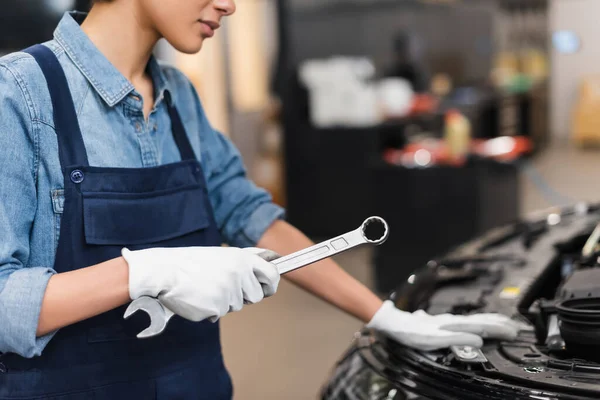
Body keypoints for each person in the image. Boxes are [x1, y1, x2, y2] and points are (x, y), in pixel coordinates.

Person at [0, 1, 524, 398]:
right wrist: (145, 273)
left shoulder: (179, 97)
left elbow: (250, 214)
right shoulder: (20, 95)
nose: (229, 4)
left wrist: (387, 317)